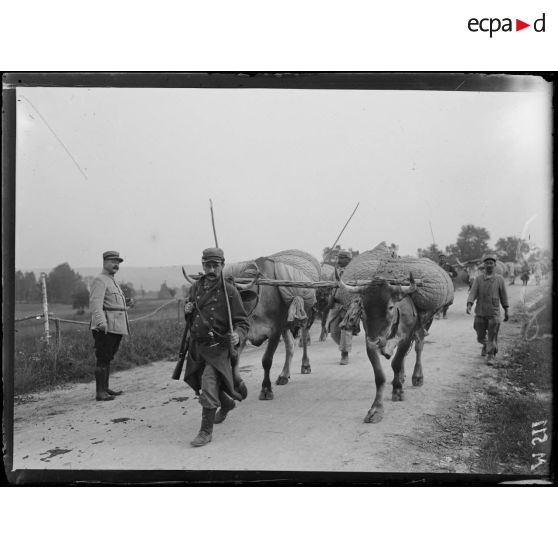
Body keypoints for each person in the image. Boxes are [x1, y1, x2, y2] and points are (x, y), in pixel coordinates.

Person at [184, 247, 250, 447]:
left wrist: (238, 335)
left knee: (208, 383)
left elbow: (243, 322)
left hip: (218, 347)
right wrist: (187, 310)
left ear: (222, 266)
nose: (211, 269)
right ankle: (227, 403)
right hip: (197, 346)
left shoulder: (229, 291)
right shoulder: (196, 288)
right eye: (208, 265)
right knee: (195, 381)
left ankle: (205, 432)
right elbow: (192, 315)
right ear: (203, 265)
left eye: (216, 265)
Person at [89, 251, 131, 401]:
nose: (116, 265)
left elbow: (112, 303)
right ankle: (100, 393)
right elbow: (95, 304)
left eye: (118, 262)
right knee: (103, 357)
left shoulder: (111, 281)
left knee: (108, 358)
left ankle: (105, 388)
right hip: (106, 326)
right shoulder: (100, 280)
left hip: (116, 326)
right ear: (104, 262)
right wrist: (101, 322)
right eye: (113, 261)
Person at [466, 253, 509, 366]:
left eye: (491, 263)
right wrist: (469, 304)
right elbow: (473, 292)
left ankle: (491, 355)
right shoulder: (478, 279)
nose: (489, 265)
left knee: (492, 334)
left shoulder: (499, 279)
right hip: (480, 311)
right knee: (480, 334)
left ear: (495, 265)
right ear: (483, 265)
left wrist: (506, 309)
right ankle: (486, 345)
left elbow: (504, 295)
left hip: (494, 312)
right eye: (487, 263)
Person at [326, 250, 353, 365]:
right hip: (336, 305)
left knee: (345, 329)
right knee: (333, 332)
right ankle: (344, 345)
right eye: (338, 258)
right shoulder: (335, 271)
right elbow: (329, 285)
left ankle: (344, 354)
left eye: (342, 258)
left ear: (348, 259)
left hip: (349, 306)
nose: (339, 260)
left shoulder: (354, 272)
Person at [436, 254, 457, 319]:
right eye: (441, 258)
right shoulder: (436, 266)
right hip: (438, 285)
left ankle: (444, 313)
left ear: (445, 259)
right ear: (439, 259)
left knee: (447, 300)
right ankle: (438, 313)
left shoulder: (448, 266)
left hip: (447, 285)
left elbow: (455, 274)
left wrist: (451, 273)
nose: (442, 259)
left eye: (443, 258)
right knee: (437, 299)